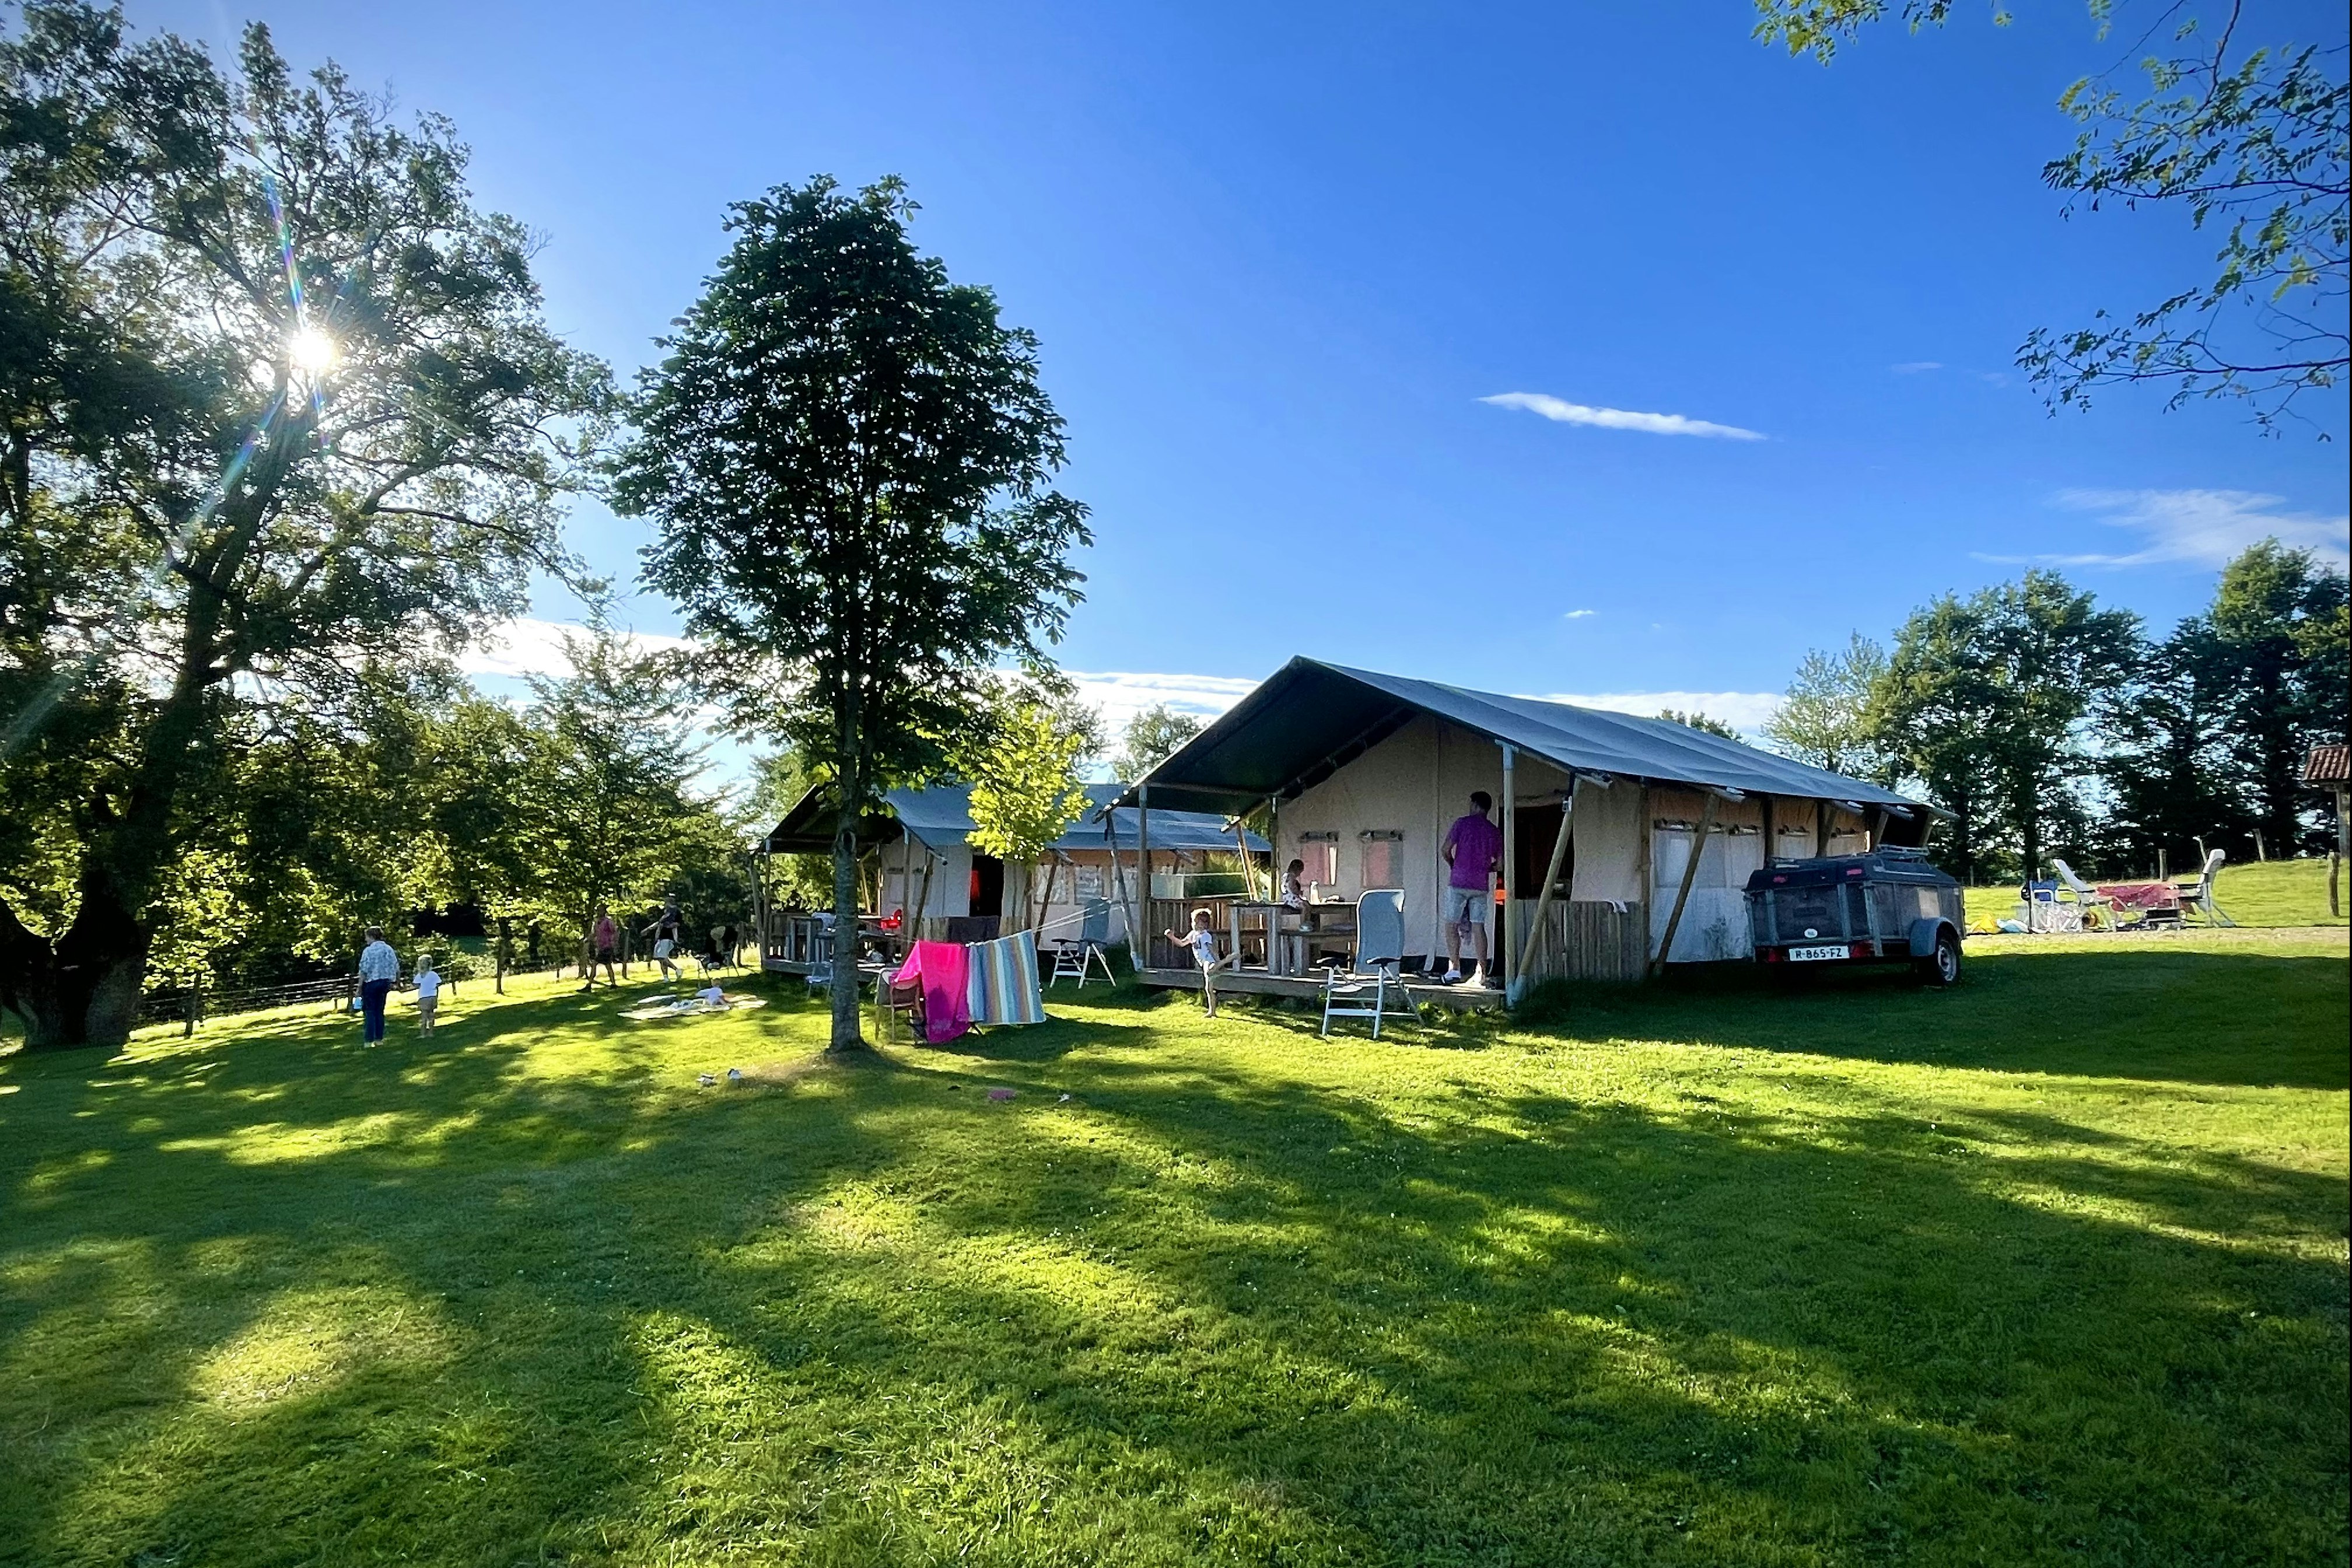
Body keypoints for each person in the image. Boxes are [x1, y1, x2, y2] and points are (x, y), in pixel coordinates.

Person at [1440, 790, 1503, 987]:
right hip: (1480, 884)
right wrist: (1486, 868)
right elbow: (1500, 865)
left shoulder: (1462, 823)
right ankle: (1481, 971)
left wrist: (1453, 864)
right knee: (1478, 926)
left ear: (1475, 804)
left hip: (1459, 881)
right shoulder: (1494, 831)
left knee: (1451, 924)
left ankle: (1454, 968)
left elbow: (1445, 849)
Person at [1161, 908, 1229, 1017]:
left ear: (1204, 925)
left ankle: (1224, 963)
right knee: (1209, 989)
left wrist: (1217, 960)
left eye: (1196, 922)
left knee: (1209, 972)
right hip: (1203, 963)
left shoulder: (1206, 936)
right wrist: (1171, 937)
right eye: (1193, 922)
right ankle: (1212, 1012)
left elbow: (1212, 950)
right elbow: (1182, 943)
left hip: (1209, 960)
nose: (1194, 924)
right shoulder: (1193, 934)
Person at [356, 926, 400, 1044]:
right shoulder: (388, 949)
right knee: (379, 1011)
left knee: (370, 1011)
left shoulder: (368, 951)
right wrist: (397, 982)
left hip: (371, 982)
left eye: (367, 937)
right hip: (385, 982)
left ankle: (369, 1040)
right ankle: (379, 1039)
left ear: (371, 937)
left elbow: (364, 969)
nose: (366, 940)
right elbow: (396, 967)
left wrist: (360, 986)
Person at [582, 905, 620, 991]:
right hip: (601, 947)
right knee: (608, 966)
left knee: (595, 964)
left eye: (600, 910)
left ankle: (589, 985)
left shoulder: (608, 921)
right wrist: (587, 939)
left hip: (607, 947)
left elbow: (614, 931)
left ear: (604, 911)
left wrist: (614, 942)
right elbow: (594, 933)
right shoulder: (597, 922)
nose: (599, 912)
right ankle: (613, 984)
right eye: (598, 911)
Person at [643, 911, 682, 982]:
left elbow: (676, 925)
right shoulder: (663, 920)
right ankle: (666, 977)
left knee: (662, 957)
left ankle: (677, 970)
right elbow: (657, 924)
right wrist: (647, 929)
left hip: (667, 939)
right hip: (660, 940)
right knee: (661, 959)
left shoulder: (671, 922)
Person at [412, 955, 442, 1037]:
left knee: (424, 1016)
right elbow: (439, 983)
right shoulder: (433, 974)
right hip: (433, 996)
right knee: (431, 1015)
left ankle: (423, 1034)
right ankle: (431, 1033)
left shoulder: (419, 975)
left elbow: (415, 985)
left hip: (424, 997)